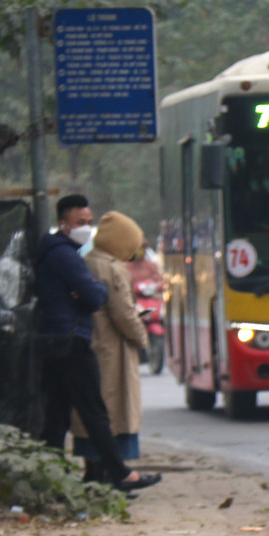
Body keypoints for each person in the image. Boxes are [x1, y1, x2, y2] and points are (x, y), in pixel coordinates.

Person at [36, 195, 160, 493]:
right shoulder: (68, 256)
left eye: (89, 223)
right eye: (81, 223)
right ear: (63, 223)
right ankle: (119, 474)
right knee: (94, 411)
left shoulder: (64, 254)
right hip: (73, 340)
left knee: (59, 415)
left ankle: (48, 479)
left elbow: (91, 294)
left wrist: (87, 291)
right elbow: (97, 297)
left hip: (59, 339)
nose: (86, 228)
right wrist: (89, 292)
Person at [71, 212, 150, 484]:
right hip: (111, 350)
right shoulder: (112, 268)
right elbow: (124, 313)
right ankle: (110, 475)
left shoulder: (86, 261)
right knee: (113, 412)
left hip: (92, 343)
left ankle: (95, 472)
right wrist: (142, 338)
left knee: (93, 412)